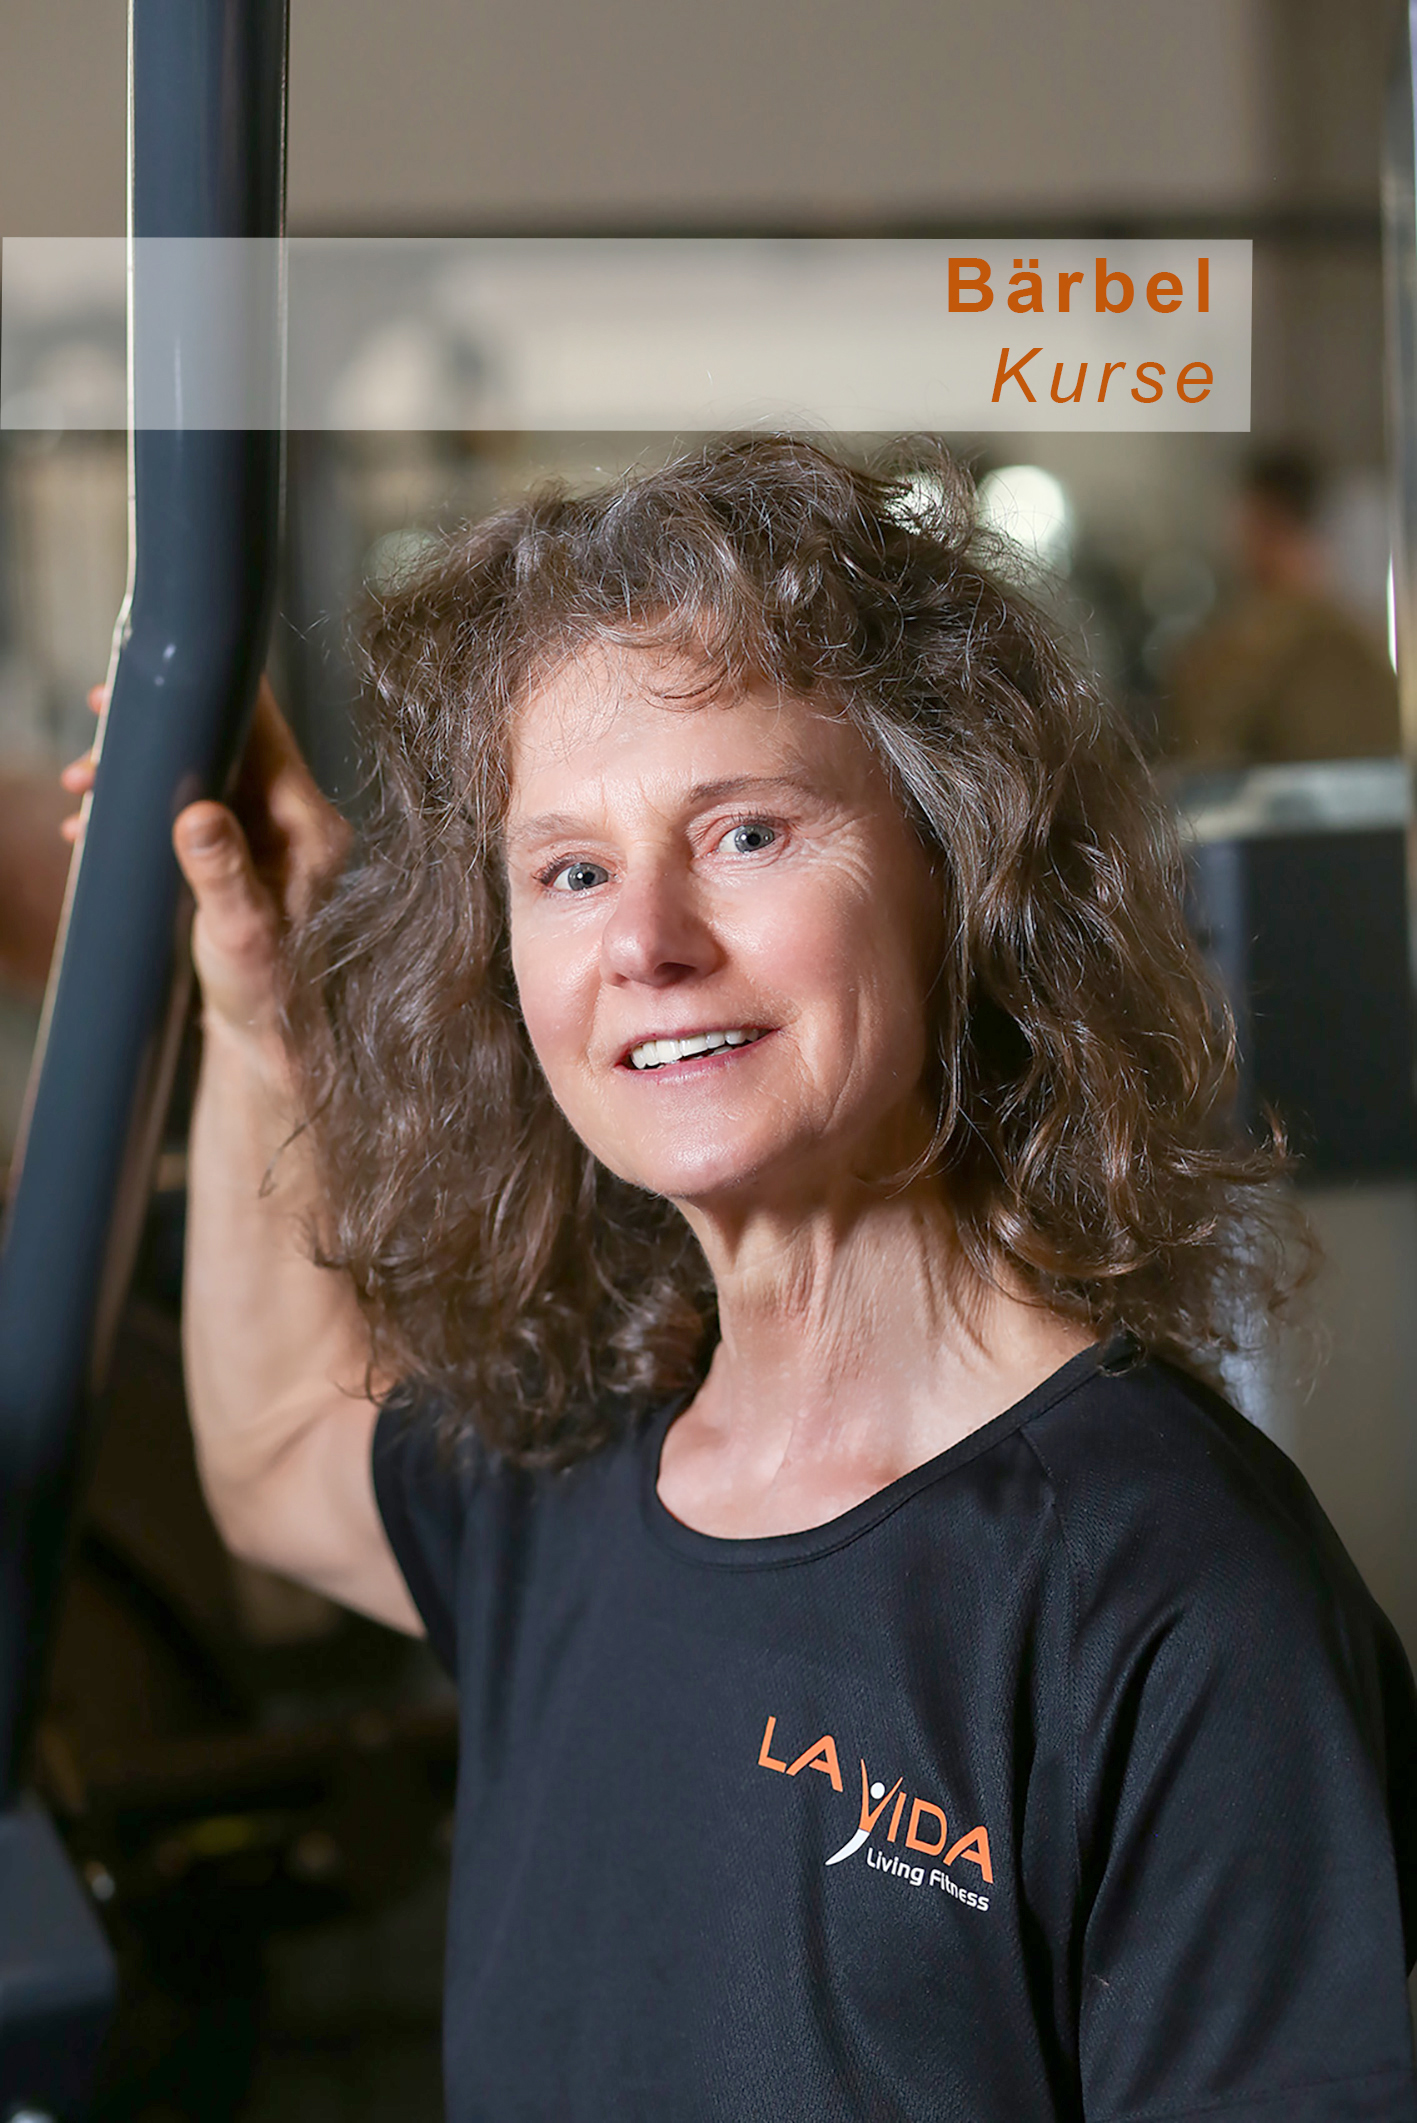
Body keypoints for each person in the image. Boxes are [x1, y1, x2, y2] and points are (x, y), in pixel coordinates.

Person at [69, 437, 1417, 2120]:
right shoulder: (575, 1486)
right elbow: (279, 1450)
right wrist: (268, 1012)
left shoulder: (1167, 1584)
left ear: (960, 873)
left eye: (749, 831)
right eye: (570, 870)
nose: (646, 940)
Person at [1166, 444, 1400, 767]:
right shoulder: (1355, 639)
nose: (1238, 546)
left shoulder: (1305, 644)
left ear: (1268, 525)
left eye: (1249, 526)